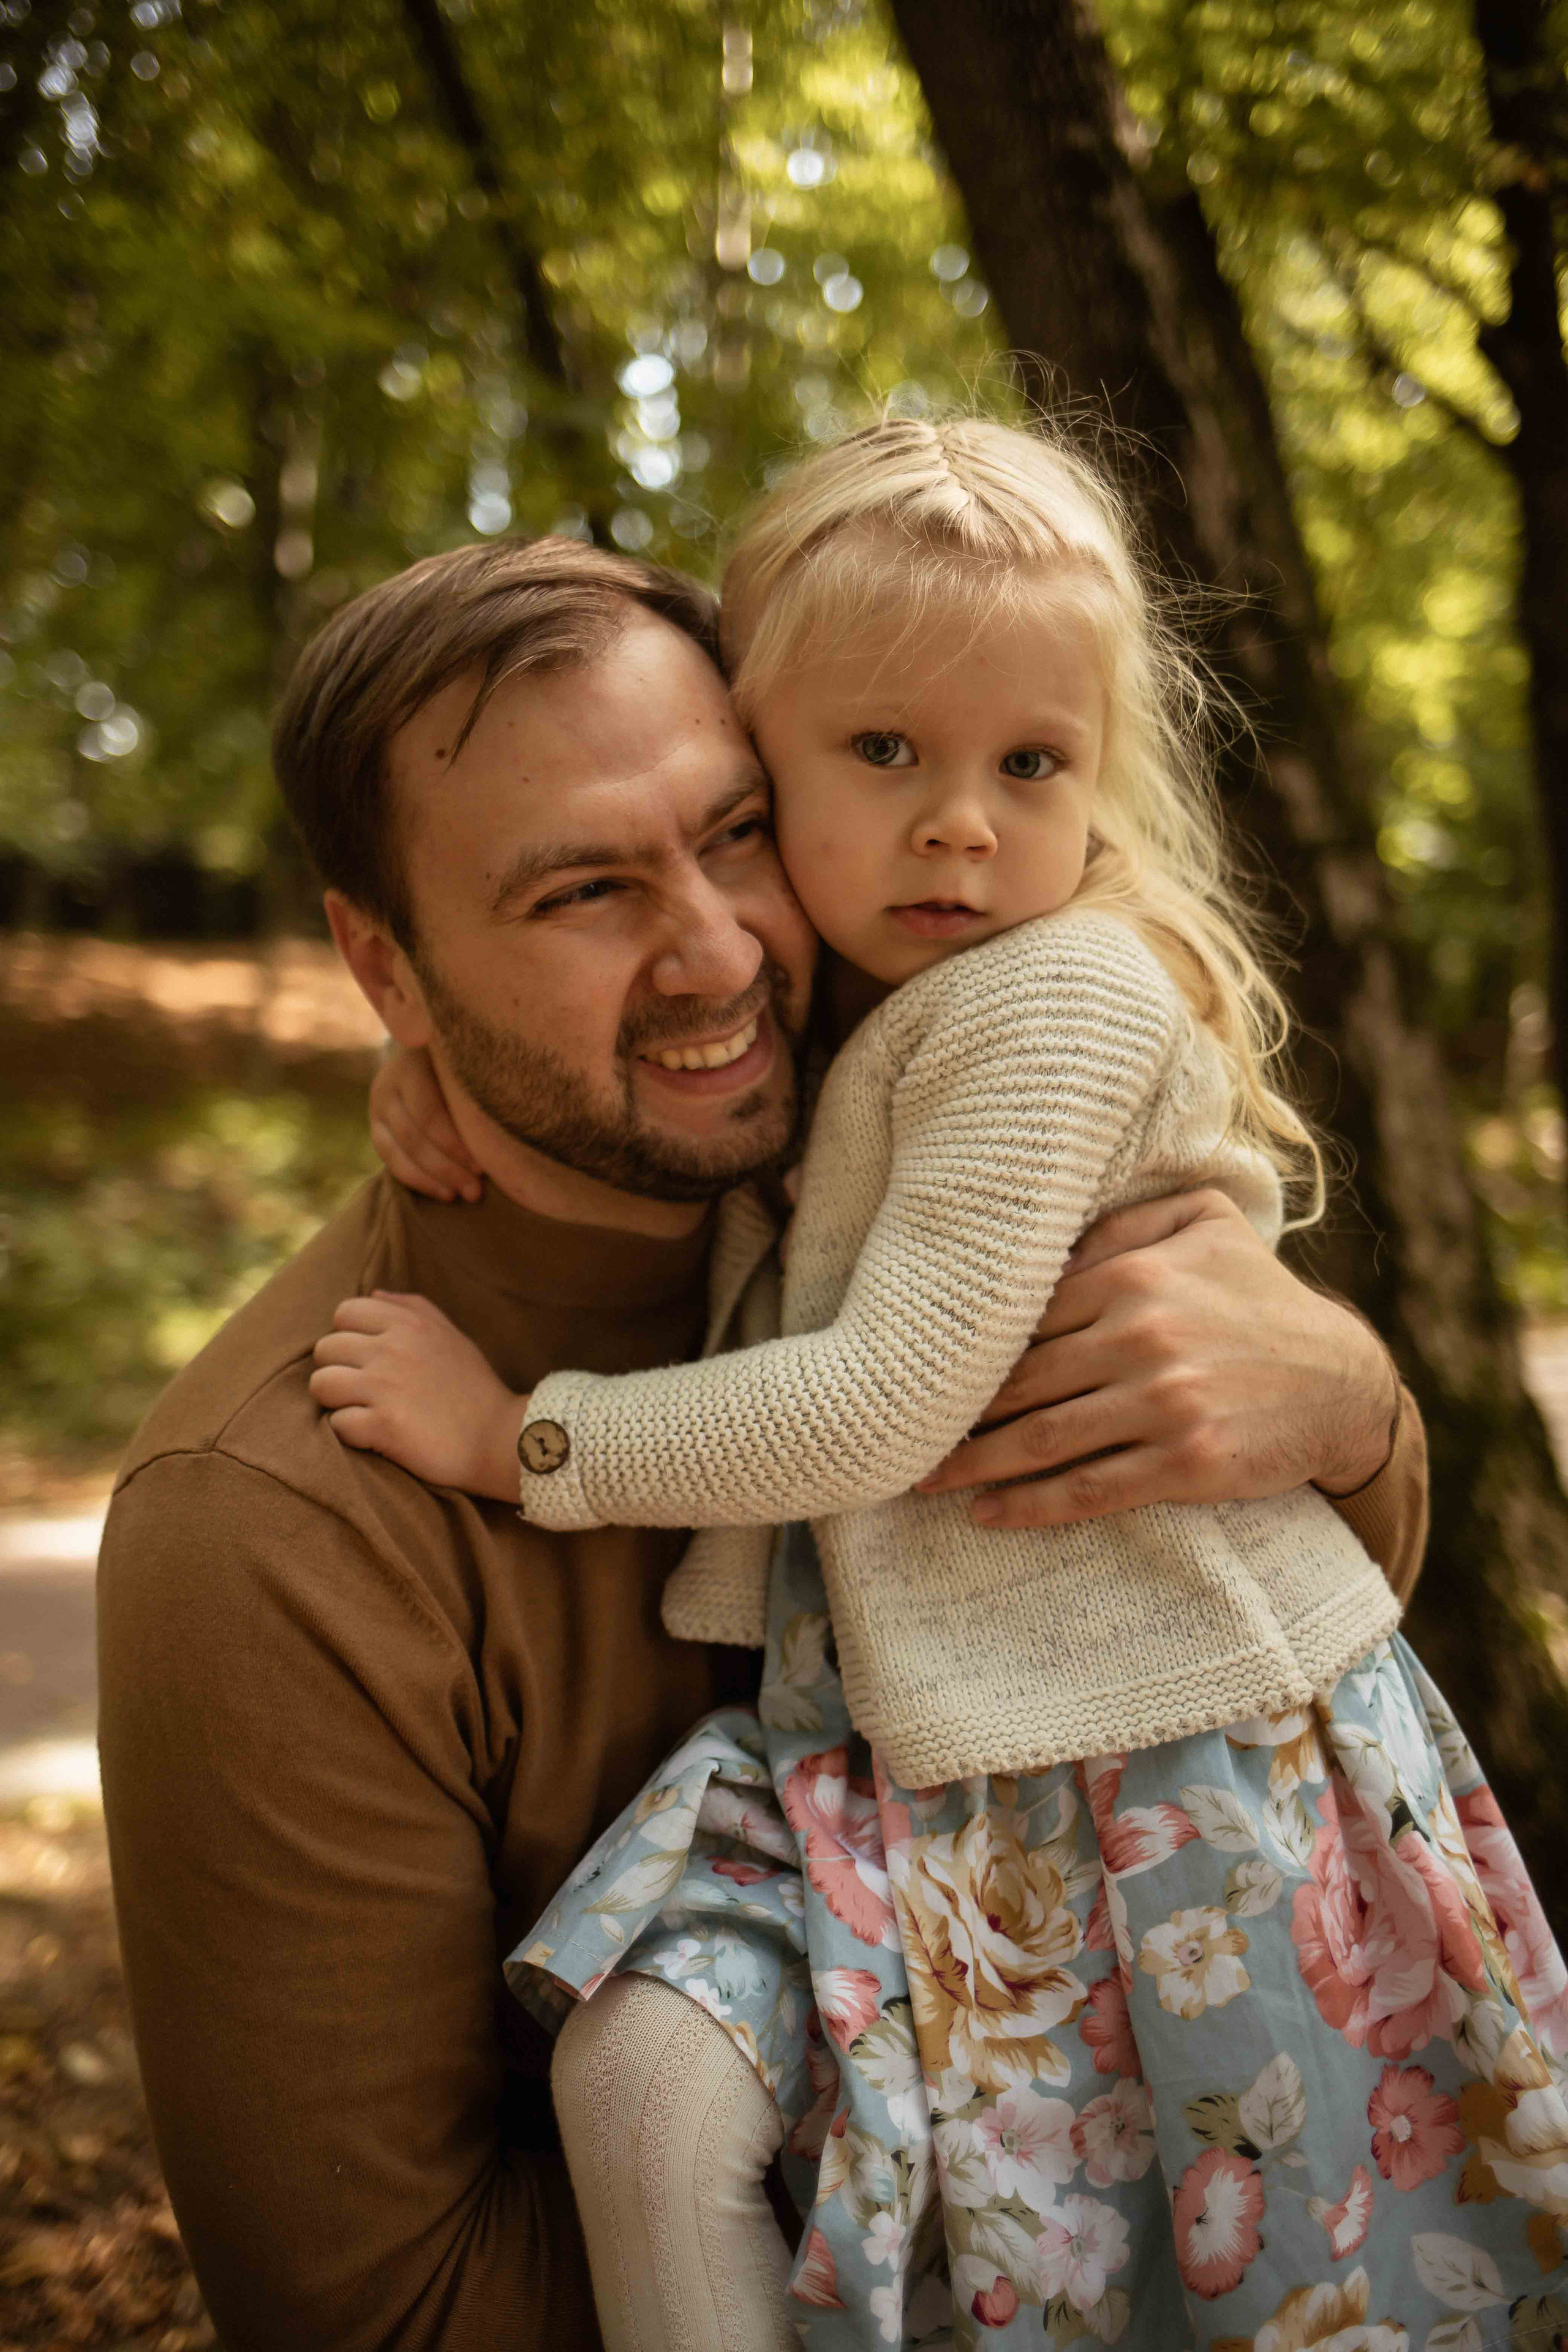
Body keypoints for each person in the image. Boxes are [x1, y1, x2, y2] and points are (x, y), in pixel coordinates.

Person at [308, 421, 1565, 2352]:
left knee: (1248, 2269)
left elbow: (888, 1396)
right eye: (885, 752)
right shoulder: (868, 996)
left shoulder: (1051, 997)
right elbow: (635, 1048)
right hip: (926, 1746)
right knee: (645, 2088)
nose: (960, 824)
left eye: (1029, 765)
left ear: (1099, 775)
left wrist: (519, 1436)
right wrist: (423, 1063)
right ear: (766, 765)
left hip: (1159, 1760)